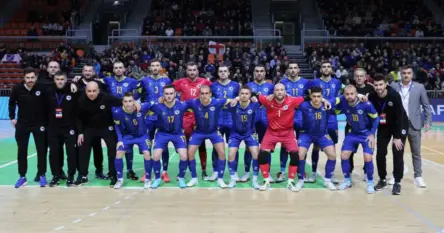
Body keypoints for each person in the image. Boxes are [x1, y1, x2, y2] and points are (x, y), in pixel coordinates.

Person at [254, 83, 306, 191]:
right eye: (277, 90)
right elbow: (254, 94)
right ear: (273, 92)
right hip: (271, 132)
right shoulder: (267, 100)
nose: (279, 92)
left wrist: (324, 100)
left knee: (295, 155)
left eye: (282, 90)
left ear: (285, 91)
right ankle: (266, 180)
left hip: (287, 133)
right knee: (262, 155)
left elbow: (307, 96)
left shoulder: (292, 101)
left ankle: (290, 182)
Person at [183, 85, 233, 188]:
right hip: (198, 132)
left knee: (222, 153)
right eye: (202, 93)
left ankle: (220, 179)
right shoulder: (193, 102)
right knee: (190, 153)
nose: (204, 95)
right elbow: (178, 105)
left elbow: (232, 100)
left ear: (210, 94)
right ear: (199, 94)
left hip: (213, 132)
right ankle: (194, 178)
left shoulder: (217, 102)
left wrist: (236, 99)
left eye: (206, 93)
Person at [390, 65, 432, 188]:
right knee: (398, 152)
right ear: (400, 74)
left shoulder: (419, 87)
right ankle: (396, 175)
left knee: (416, 152)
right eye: (404, 73)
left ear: (412, 74)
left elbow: (426, 105)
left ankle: (418, 176)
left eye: (408, 73)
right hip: (399, 124)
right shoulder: (394, 86)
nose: (406, 75)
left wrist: (428, 121)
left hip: (415, 124)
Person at [99, 61, 141, 181]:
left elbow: (142, 87)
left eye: (120, 68)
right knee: (112, 145)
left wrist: (136, 101)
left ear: (124, 69)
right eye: (116, 68)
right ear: (113, 69)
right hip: (111, 116)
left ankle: (129, 170)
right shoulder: (107, 80)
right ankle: (112, 170)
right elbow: (95, 82)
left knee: (128, 144)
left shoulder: (131, 81)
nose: (118, 70)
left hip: (127, 116)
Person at [76, 82, 122, 187]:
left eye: (94, 91)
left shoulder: (106, 98)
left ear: (98, 90)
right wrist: (80, 132)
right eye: (89, 91)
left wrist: (135, 104)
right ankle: (83, 175)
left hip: (106, 127)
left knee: (112, 150)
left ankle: (113, 175)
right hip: (89, 128)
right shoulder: (81, 100)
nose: (91, 93)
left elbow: (122, 102)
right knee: (83, 148)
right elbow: (78, 118)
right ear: (85, 91)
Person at [368, 74, 408, 195]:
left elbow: (400, 117)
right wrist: (371, 133)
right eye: (376, 85)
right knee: (380, 153)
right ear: (373, 85)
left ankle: (397, 182)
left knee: (397, 152)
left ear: (386, 84)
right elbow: (369, 114)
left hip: (399, 125)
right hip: (383, 126)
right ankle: (382, 179)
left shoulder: (394, 96)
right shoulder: (371, 96)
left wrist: (397, 137)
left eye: (381, 84)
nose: (378, 87)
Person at [9, 67, 48, 188]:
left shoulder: (42, 88)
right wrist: (12, 117)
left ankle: (42, 175)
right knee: (21, 151)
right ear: (24, 78)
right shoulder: (17, 89)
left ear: (36, 77)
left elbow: (48, 104)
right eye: (28, 78)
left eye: (32, 77)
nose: (30, 80)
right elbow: (11, 102)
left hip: (39, 124)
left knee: (41, 150)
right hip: (22, 124)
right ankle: (22, 177)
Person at [335, 85, 379, 194]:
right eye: (347, 94)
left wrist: (372, 134)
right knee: (344, 155)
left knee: (367, 157)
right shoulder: (344, 104)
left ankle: (370, 183)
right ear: (344, 95)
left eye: (352, 94)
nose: (349, 96)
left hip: (366, 134)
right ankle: (347, 181)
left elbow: (376, 118)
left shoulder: (366, 104)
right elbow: (333, 110)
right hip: (352, 133)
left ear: (356, 94)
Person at [172, 62, 212, 179]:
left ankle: (204, 170)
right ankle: (183, 171)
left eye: (194, 69)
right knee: (184, 146)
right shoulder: (180, 82)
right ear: (186, 71)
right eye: (190, 70)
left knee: (202, 144)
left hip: (200, 117)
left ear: (197, 70)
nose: (192, 72)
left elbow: (214, 91)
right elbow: (168, 89)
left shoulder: (205, 82)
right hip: (185, 118)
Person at [295, 87, 337, 192]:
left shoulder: (326, 105)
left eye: (319, 96)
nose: (316, 99)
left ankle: (327, 180)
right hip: (306, 134)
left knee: (332, 155)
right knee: (300, 154)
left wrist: (359, 95)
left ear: (322, 97)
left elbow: (341, 98)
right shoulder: (303, 105)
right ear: (310, 96)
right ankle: (300, 180)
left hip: (322, 134)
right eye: (314, 96)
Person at [308, 60, 342, 183]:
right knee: (316, 145)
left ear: (331, 69)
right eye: (324, 67)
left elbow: (345, 94)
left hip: (332, 117)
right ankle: (313, 173)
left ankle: (330, 174)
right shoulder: (314, 82)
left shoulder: (338, 82)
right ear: (320, 69)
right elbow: (307, 96)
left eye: (328, 67)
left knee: (331, 146)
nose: (326, 69)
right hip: (317, 117)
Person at [149, 85, 189, 188]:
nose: (169, 96)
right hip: (162, 133)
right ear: (163, 95)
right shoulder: (157, 106)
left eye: (171, 93)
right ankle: (157, 178)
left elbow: (197, 103)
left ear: (175, 94)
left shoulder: (182, 105)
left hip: (178, 133)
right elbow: (145, 106)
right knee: (156, 155)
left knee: (184, 156)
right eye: (166, 94)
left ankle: (181, 178)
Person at [140, 59, 172, 182]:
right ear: (149, 67)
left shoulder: (167, 80)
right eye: (152, 65)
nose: (154, 68)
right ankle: (147, 171)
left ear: (160, 67)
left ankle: (164, 172)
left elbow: (173, 95)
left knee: (163, 144)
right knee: (147, 144)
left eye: (157, 65)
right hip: (148, 117)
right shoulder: (144, 81)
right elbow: (137, 95)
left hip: (162, 116)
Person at [74, 64, 108, 180]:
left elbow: (105, 97)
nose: (87, 72)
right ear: (82, 72)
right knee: (82, 149)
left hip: (97, 122)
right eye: (85, 70)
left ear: (93, 72)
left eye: (90, 70)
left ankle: (99, 171)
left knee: (97, 148)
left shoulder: (100, 84)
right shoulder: (76, 84)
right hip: (83, 122)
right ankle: (82, 173)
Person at [45, 72, 78, 187]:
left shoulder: (72, 91)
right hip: (53, 128)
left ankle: (71, 176)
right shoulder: (48, 92)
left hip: (69, 128)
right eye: (58, 79)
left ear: (65, 80)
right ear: (54, 80)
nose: (60, 81)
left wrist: (73, 83)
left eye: (62, 79)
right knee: (54, 153)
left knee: (71, 153)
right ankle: (56, 175)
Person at [113, 92, 152, 189]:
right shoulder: (118, 112)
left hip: (142, 135)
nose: (128, 103)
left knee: (147, 153)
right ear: (122, 102)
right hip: (128, 136)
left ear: (134, 101)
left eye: (130, 101)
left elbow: (151, 103)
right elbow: (117, 126)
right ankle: (120, 179)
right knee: (119, 153)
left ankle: (147, 179)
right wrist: (120, 140)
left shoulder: (141, 107)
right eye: (125, 101)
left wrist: (141, 105)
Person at [278, 62, 309, 182]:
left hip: (302, 117)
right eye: (290, 68)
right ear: (287, 70)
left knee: (302, 145)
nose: (293, 70)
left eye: (295, 68)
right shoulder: (282, 83)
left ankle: (301, 170)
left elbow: (309, 98)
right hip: (287, 117)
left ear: (298, 70)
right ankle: (282, 171)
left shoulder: (306, 83)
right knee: (285, 145)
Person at [226, 86, 261, 189]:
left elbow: (262, 100)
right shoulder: (233, 104)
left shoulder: (254, 104)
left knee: (255, 154)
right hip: (235, 133)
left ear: (250, 95)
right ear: (239, 95)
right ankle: (233, 179)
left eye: (247, 93)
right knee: (231, 154)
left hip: (250, 133)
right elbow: (229, 105)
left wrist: (255, 97)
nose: (244, 95)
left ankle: (255, 180)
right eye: (242, 93)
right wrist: (235, 99)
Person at [210, 65, 240, 181]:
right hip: (217, 120)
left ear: (228, 73)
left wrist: (236, 98)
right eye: (220, 71)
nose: (223, 73)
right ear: (218, 73)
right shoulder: (213, 86)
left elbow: (243, 95)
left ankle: (234, 172)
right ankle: (216, 171)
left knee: (233, 147)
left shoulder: (235, 85)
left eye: (225, 71)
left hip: (232, 121)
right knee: (216, 147)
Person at [247, 65, 274, 182]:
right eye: (257, 71)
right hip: (251, 121)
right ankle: (248, 172)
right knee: (249, 148)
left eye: (261, 71)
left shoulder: (271, 86)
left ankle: (267, 173)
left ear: (265, 73)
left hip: (266, 121)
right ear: (254, 73)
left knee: (266, 149)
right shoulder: (248, 86)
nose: (259, 73)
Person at [348, 68, 375, 179]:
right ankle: (349, 170)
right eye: (357, 76)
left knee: (367, 151)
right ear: (354, 77)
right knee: (349, 150)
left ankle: (366, 171)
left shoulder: (371, 89)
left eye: (361, 76)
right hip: (351, 125)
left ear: (365, 77)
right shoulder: (350, 89)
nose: (359, 78)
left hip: (367, 126)